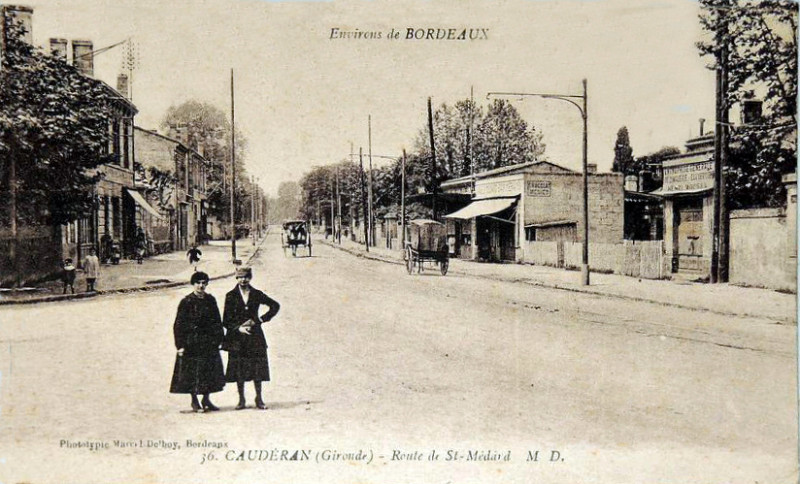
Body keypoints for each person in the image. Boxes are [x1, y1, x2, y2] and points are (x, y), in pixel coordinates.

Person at [222, 266, 280, 410]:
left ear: (250, 278)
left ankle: (259, 398)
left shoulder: (256, 294)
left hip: (255, 337)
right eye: (240, 277)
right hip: (237, 338)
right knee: (239, 369)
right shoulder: (230, 295)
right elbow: (226, 319)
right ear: (236, 278)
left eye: (246, 277)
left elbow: (275, 306)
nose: (243, 280)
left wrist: (260, 320)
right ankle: (241, 400)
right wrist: (238, 328)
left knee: (257, 368)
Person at [170, 271, 226, 412]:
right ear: (193, 284)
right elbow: (178, 325)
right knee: (193, 372)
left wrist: (219, 339)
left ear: (207, 284)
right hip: (192, 343)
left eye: (203, 283)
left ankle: (206, 400)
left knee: (209, 371)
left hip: (208, 342)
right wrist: (180, 345)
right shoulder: (186, 301)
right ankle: (194, 401)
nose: (201, 286)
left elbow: (217, 321)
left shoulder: (210, 300)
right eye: (198, 283)